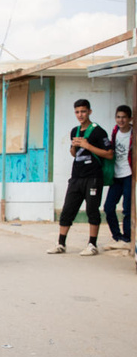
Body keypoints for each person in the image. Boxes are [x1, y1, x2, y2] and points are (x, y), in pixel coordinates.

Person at [47, 99, 114, 256]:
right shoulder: (75, 131)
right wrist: (74, 146)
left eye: (83, 111)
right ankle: (61, 243)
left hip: (93, 177)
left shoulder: (98, 131)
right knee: (67, 210)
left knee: (92, 210)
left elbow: (109, 154)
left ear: (89, 112)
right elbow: (74, 154)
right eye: (77, 112)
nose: (80, 115)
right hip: (76, 176)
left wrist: (88, 145)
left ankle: (92, 244)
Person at [103, 105, 132, 250]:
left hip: (129, 175)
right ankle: (117, 236)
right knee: (108, 207)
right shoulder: (115, 131)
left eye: (124, 117)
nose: (121, 120)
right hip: (116, 175)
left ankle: (127, 238)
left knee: (127, 209)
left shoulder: (133, 133)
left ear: (130, 118)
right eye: (118, 117)